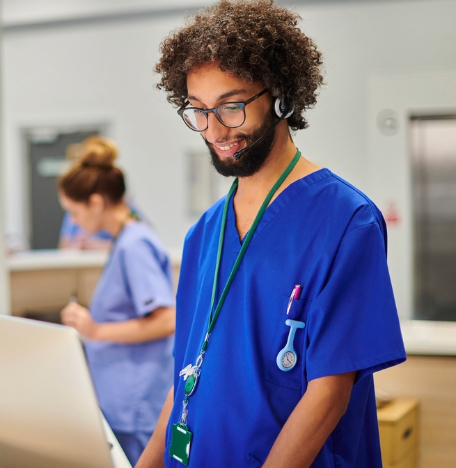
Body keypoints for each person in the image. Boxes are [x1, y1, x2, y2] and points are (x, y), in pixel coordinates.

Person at [137, 2, 406, 467]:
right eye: (198, 111)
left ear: (281, 95)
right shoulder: (204, 235)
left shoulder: (346, 222)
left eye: (232, 105)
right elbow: (186, 377)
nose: (215, 129)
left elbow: (329, 393)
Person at [56, 137, 176, 465]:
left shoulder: (134, 244)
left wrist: (96, 331)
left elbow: (168, 320)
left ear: (95, 202)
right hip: (123, 400)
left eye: (74, 212)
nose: (74, 222)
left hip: (137, 404)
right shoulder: (125, 239)